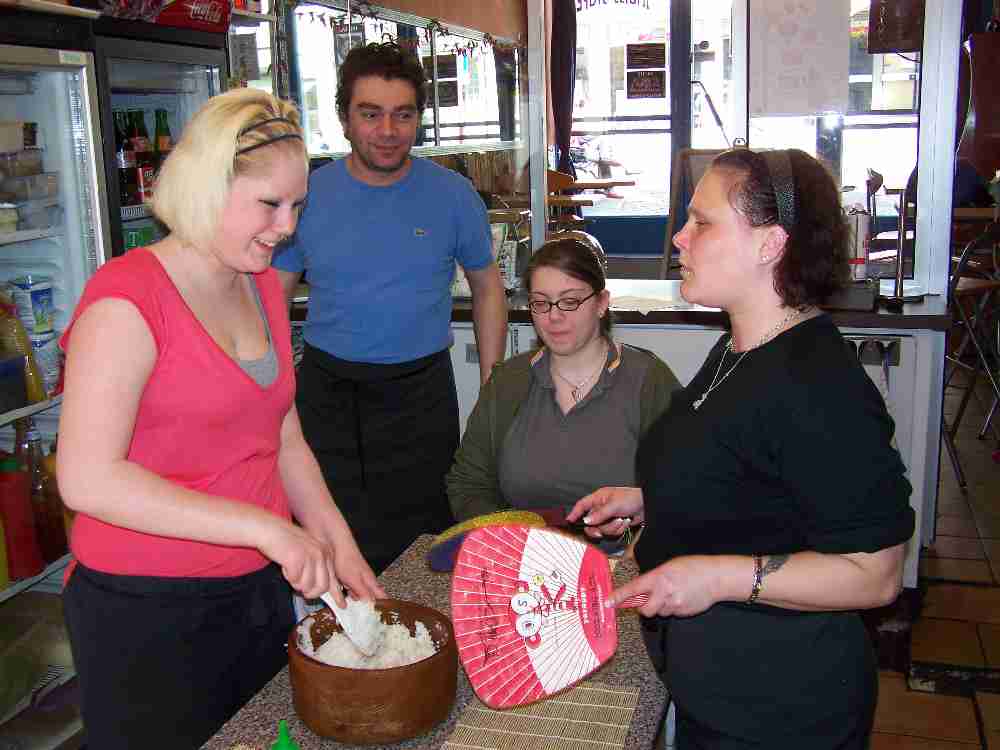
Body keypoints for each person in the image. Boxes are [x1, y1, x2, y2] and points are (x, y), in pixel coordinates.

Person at [57, 89, 384, 750]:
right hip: (144, 611)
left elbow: (283, 438)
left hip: (253, 594)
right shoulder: (126, 300)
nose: (286, 226)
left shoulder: (259, 286)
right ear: (207, 187)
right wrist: (268, 529)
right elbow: (87, 479)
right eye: (270, 204)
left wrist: (336, 542)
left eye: (298, 206)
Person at [569, 148, 915, 748]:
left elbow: (876, 573)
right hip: (713, 683)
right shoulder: (740, 348)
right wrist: (655, 497)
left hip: (782, 706)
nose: (680, 237)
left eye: (702, 222)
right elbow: (748, 472)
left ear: (769, 244)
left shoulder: (819, 385)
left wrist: (717, 577)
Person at [273, 42, 507, 574]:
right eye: (370, 114)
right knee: (330, 541)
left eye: (402, 114)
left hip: (421, 396)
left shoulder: (453, 194)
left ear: (418, 119)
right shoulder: (307, 193)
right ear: (344, 119)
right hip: (328, 396)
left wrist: (492, 385)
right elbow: (273, 294)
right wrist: (274, 385)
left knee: (423, 547)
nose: (387, 130)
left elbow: (488, 287)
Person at [447, 233, 680, 544]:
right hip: (522, 555)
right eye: (540, 303)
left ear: (601, 303)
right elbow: (467, 483)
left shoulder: (648, 381)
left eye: (570, 302)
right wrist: (509, 537)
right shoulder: (508, 382)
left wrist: (640, 515)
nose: (554, 316)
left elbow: (686, 486)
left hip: (623, 557)